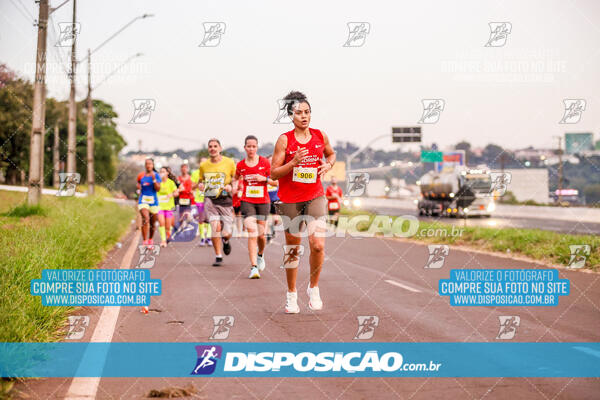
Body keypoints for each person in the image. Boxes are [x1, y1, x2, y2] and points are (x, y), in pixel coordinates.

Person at [270, 91, 336, 313]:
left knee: (318, 245)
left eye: (307, 112)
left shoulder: (320, 136)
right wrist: (293, 163)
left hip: (315, 196)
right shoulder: (284, 140)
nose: (304, 116)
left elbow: (331, 155)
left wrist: (329, 165)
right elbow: (274, 174)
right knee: (293, 249)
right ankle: (291, 295)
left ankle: (313, 288)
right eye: (299, 113)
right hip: (290, 201)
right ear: (291, 115)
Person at [195, 139, 237, 267]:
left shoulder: (229, 163)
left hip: (225, 200)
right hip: (210, 199)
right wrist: (201, 185)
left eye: (215, 146)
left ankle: (225, 240)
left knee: (226, 232)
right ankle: (218, 256)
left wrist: (231, 187)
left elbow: (235, 179)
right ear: (208, 149)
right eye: (210, 146)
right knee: (215, 227)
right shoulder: (204, 165)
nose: (212, 148)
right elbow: (200, 181)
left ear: (220, 148)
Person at [235, 135, 271, 279]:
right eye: (248, 146)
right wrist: (236, 188)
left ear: (257, 147)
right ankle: (253, 267)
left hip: (263, 201)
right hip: (247, 201)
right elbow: (235, 179)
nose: (251, 149)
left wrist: (265, 179)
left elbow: (275, 181)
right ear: (245, 148)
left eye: (254, 146)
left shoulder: (265, 163)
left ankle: (260, 255)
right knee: (252, 232)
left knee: (261, 235)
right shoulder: (241, 165)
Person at [137, 158, 161, 246]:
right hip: (143, 200)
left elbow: (158, 189)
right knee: (145, 219)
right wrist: (139, 188)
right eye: (147, 164)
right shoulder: (141, 175)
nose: (148, 165)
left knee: (152, 223)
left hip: (153, 202)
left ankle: (150, 239)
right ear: (145, 165)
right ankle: (145, 241)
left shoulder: (156, 175)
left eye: (150, 164)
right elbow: (138, 184)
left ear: (153, 165)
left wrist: (154, 179)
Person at [191, 158, 212, 247]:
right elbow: (192, 187)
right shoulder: (195, 173)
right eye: (201, 162)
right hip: (199, 199)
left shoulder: (211, 173)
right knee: (201, 219)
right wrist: (198, 183)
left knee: (209, 219)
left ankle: (209, 237)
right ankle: (202, 238)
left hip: (209, 199)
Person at [157, 167, 179, 247]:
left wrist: (172, 194)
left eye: (163, 172)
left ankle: (168, 236)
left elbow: (176, 193)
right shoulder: (157, 182)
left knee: (168, 225)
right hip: (159, 206)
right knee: (161, 223)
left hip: (169, 207)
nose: (161, 173)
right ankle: (163, 240)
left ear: (167, 173)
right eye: (160, 172)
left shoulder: (171, 183)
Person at [266, 156, 281, 244]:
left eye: (272, 160)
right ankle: (268, 234)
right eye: (269, 161)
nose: (271, 162)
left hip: (276, 199)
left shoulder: (278, 172)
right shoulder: (264, 173)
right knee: (266, 218)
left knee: (276, 220)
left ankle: (273, 229)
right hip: (266, 199)